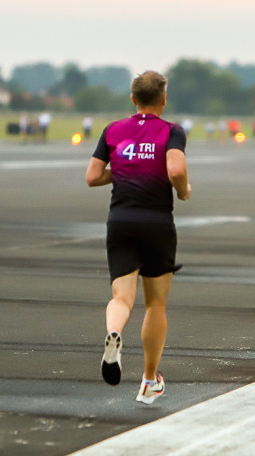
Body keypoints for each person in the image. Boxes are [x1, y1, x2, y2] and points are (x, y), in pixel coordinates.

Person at [85, 70, 192, 405]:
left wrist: (126, 166)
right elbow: (175, 169)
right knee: (156, 304)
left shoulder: (113, 130)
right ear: (163, 99)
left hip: (121, 221)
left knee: (122, 297)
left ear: (132, 98)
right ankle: (148, 381)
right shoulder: (171, 131)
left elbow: (92, 177)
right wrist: (184, 190)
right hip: (157, 223)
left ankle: (114, 333)